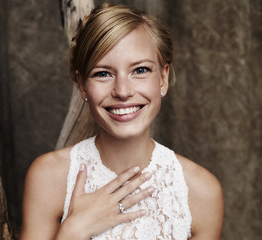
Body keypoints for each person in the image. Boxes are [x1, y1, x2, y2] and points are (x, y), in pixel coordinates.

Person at [19, 4, 224, 240]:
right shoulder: (48, 177)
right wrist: (75, 230)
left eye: (140, 70)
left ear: (164, 78)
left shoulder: (202, 193)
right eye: (102, 73)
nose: (123, 91)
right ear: (82, 85)